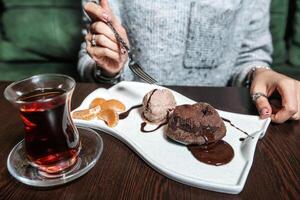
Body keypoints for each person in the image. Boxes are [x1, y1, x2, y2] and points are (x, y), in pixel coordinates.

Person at [78, 0, 300, 123]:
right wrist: (108, 68)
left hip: (222, 115)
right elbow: (88, 56)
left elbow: (251, 53)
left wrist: (260, 71)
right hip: (133, 114)